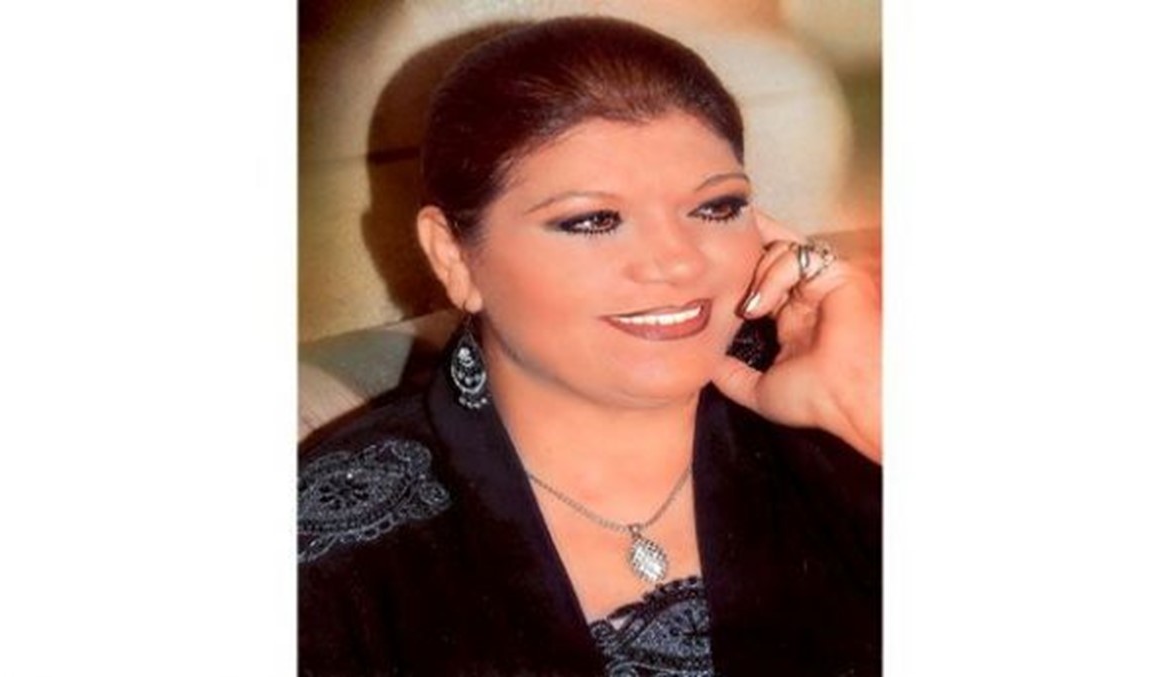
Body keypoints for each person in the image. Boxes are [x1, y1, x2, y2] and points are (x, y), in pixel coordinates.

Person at [299, 16, 881, 676]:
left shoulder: (843, 427)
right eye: (593, 220)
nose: (677, 261)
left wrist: (869, 409)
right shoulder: (336, 555)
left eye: (716, 207)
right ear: (454, 256)